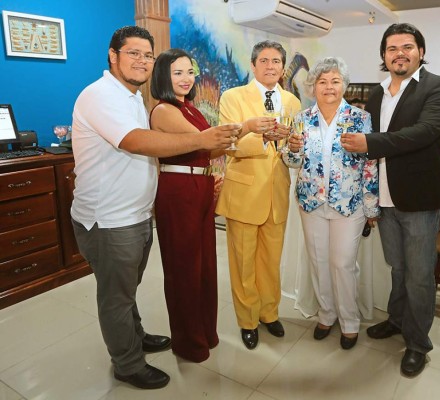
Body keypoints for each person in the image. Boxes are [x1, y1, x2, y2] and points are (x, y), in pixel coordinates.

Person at [71, 26, 238, 389]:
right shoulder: (99, 95)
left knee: (127, 288)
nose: (142, 61)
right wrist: (202, 140)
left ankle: (135, 336)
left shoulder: (131, 98)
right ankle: (127, 363)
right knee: (116, 295)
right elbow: (133, 141)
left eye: (147, 55)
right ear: (113, 56)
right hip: (109, 217)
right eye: (133, 53)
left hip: (137, 213)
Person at [339, 23, 440, 376]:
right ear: (383, 56)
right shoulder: (376, 96)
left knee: (420, 275)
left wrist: (370, 143)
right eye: (391, 48)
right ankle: (398, 319)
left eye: (407, 46)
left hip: (420, 200)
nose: (399, 53)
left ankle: (418, 343)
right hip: (385, 200)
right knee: (399, 268)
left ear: (420, 50)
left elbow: (422, 134)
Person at [149, 48, 274, 362]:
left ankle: (205, 332)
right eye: (178, 72)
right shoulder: (163, 109)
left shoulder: (188, 107)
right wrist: (246, 126)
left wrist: (209, 176)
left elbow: (212, 146)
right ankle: (189, 342)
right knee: (184, 269)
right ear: (163, 75)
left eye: (190, 72)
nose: (186, 78)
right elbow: (206, 141)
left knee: (203, 266)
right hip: (179, 190)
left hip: (199, 186)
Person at [284, 57, 379, 350]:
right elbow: (292, 161)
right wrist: (291, 149)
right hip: (311, 201)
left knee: (343, 263)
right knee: (318, 261)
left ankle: (349, 323)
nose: (329, 87)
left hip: (348, 204)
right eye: (322, 81)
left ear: (344, 85)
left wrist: (371, 206)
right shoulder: (302, 118)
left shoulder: (359, 118)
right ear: (313, 86)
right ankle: (326, 315)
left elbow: (370, 163)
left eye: (335, 81)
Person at [215, 40, 301, 350]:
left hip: (277, 193)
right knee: (243, 263)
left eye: (276, 61)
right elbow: (229, 143)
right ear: (253, 66)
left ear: (282, 67)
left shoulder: (292, 102)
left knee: (270, 262)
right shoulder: (233, 97)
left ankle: (269, 313)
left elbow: (295, 147)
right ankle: (247, 321)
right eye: (263, 60)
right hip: (244, 193)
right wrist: (262, 137)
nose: (270, 66)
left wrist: (294, 146)